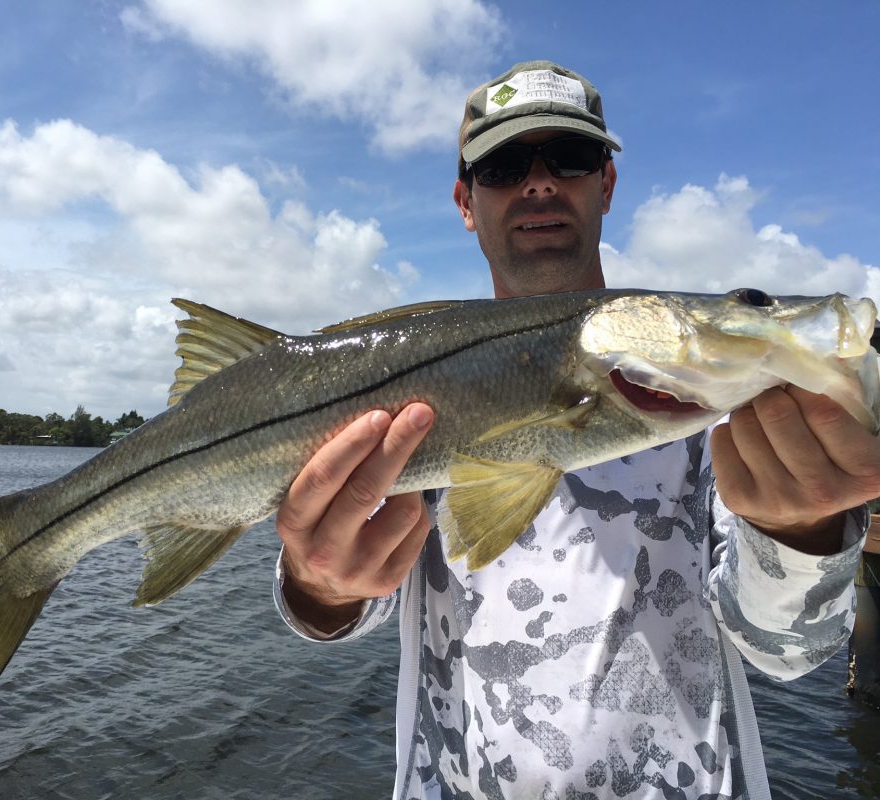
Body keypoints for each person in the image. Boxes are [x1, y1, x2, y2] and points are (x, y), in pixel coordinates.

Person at [273, 60, 880, 799]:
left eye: (569, 157)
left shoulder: (712, 405)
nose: (537, 182)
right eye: (501, 165)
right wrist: (317, 583)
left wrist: (803, 533)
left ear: (607, 183)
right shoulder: (415, 389)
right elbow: (351, 606)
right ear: (465, 201)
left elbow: (786, 651)